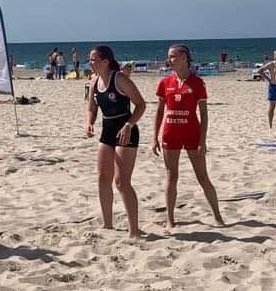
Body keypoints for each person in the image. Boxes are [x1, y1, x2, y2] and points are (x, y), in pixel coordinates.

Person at [151, 44, 224, 230]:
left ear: (184, 57)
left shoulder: (197, 82)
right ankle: (170, 219)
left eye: (173, 56)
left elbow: (204, 114)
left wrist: (203, 140)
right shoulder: (165, 82)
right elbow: (159, 112)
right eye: (169, 56)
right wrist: (154, 137)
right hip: (170, 133)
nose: (170, 60)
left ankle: (217, 216)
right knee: (171, 176)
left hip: (192, 133)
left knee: (203, 177)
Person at [86, 44, 146, 237]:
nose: (90, 63)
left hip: (126, 130)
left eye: (94, 60)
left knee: (121, 182)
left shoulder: (119, 78)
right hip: (107, 130)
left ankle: (133, 230)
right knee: (103, 178)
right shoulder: (94, 81)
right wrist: (89, 123)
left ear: (106, 61)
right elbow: (92, 108)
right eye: (90, 59)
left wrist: (129, 125)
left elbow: (140, 105)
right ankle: (108, 224)